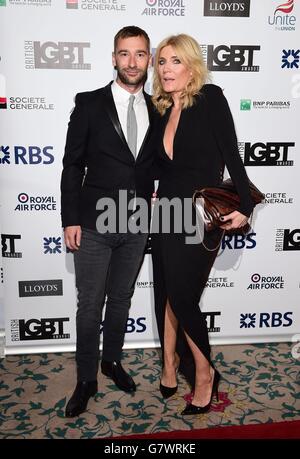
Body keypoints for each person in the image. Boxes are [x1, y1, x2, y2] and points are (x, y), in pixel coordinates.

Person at [151, 34, 254, 415]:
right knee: (165, 290)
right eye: (161, 62)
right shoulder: (162, 108)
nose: (166, 69)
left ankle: (206, 372)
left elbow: (232, 153)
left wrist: (246, 204)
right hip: (165, 213)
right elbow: (158, 165)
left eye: (175, 61)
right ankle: (169, 364)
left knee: (182, 295)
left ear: (192, 66)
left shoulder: (210, 99)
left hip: (197, 214)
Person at [60, 26, 156, 418]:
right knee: (90, 304)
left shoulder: (160, 108)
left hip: (136, 223)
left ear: (148, 59)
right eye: (125, 53)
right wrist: (70, 219)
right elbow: (72, 165)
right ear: (113, 58)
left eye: (140, 54)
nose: (132, 62)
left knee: (120, 299)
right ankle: (86, 377)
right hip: (95, 223)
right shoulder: (88, 104)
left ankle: (112, 361)